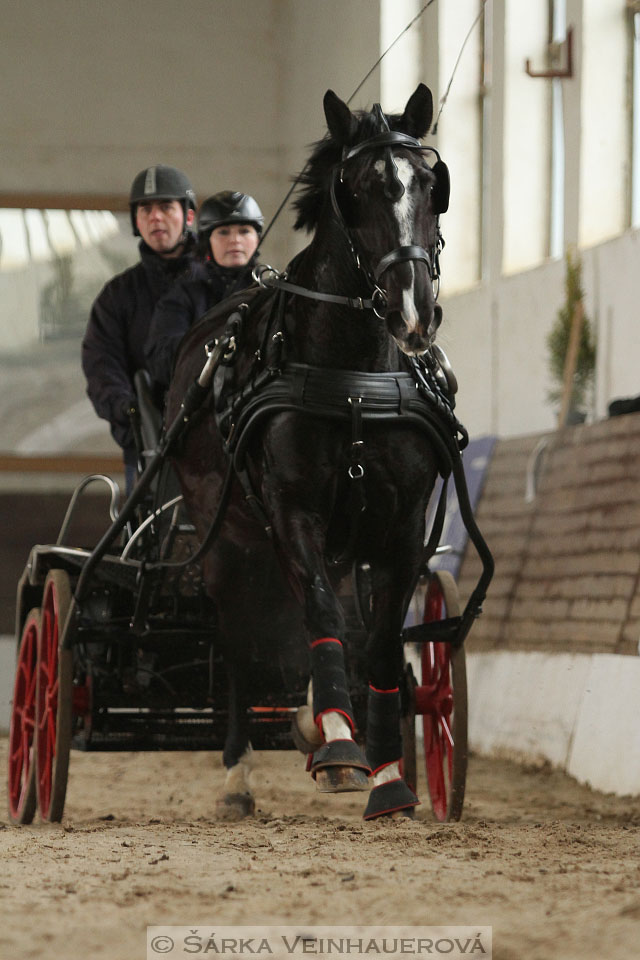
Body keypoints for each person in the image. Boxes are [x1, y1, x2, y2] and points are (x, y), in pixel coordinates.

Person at [81, 164, 197, 490]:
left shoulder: (218, 284)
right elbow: (101, 363)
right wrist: (128, 409)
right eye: (145, 209)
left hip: (221, 441)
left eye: (165, 207)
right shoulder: (117, 296)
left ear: (188, 216)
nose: (155, 217)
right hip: (147, 447)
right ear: (136, 220)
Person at [145, 191, 263, 390]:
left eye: (244, 231)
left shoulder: (272, 291)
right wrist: (215, 347)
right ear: (207, 241)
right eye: (224, 232)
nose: (235, 240)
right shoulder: (183, 296)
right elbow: (162, 360)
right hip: (201, 402)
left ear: (257, 238)